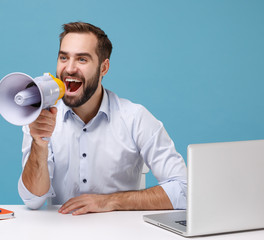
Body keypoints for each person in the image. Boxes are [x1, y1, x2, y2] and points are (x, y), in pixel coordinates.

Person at [18, 22, 187, 215]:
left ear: (104, 67)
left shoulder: (135, 118)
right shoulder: (40, 119)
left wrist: (111, 201)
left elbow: (184, 190)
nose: (70, 68)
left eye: (82, 59)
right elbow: (33, 200)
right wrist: (39, 143)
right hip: (61, 231)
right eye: (63, 57)